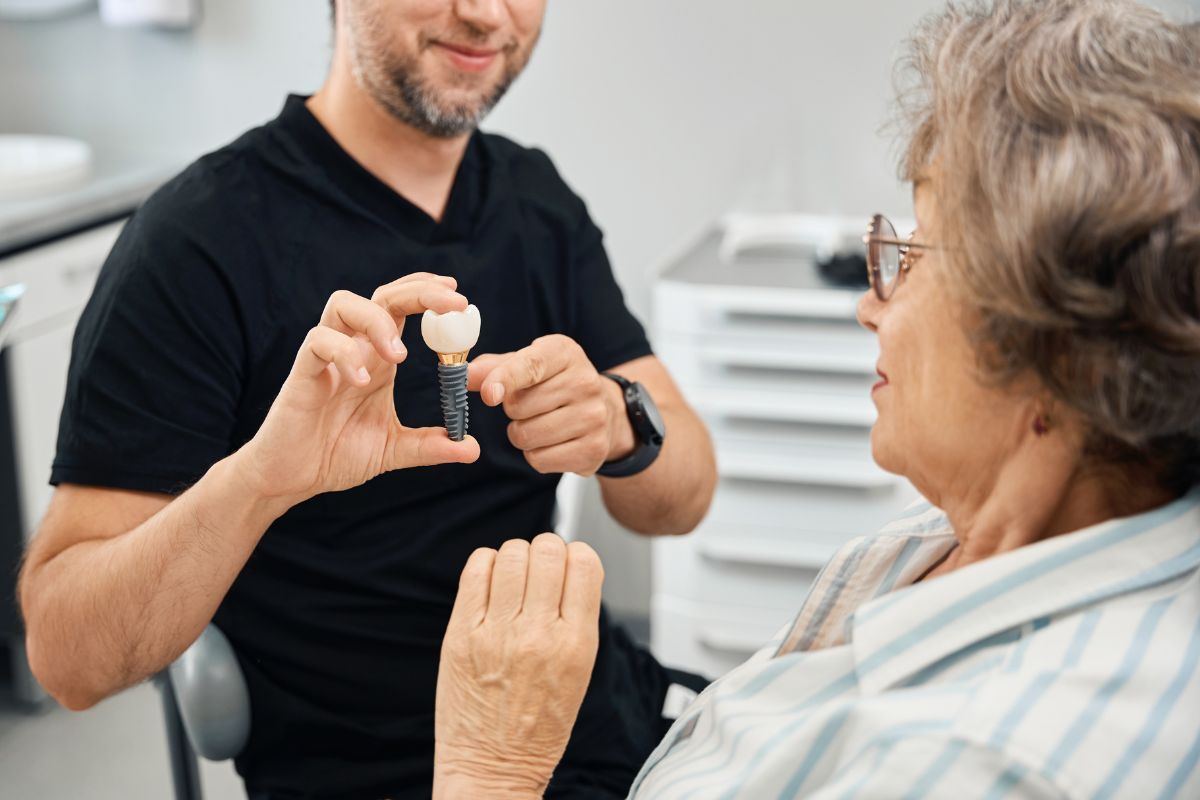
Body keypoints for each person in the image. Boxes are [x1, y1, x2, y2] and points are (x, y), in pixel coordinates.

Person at [430, 1, 1200, 797]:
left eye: (911, 256)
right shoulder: (957, 535)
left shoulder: (978, 764)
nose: (871, 302)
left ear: (1059, 353)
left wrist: (491, 768)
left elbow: (685, 488)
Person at [16, 1, 717, 798]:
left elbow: (686, 497)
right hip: (384, 772)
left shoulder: (538, 202)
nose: (485, 14)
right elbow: (67, 660)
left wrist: (620, 423)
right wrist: (260, 480)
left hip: (599, 721)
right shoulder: (196, 241)